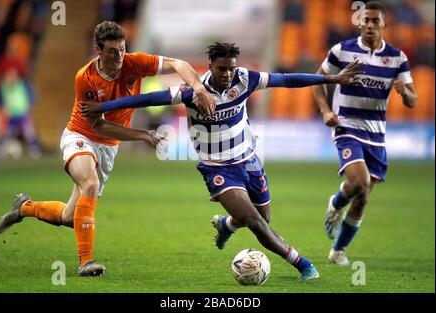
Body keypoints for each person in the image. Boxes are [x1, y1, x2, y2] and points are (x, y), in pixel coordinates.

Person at [80, 42, 362, 280]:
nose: (228, 74)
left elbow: (286, 80)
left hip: (250, 161)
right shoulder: (192, 92)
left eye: (231, 68)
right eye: (221, 69)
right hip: (218, 169)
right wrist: (102, 108)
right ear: (210, 66)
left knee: (263, 217)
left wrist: (331, 79)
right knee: (254, 221)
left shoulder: (245, 79)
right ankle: (304, 264)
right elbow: (148, 99)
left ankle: (226, 225)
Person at [0, 21, 215, 277]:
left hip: (108, 148)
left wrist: (199, 89)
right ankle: (85, 262)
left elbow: (180, 65)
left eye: (122, 49)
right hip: (80, 136)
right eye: (112, 51)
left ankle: (25, 207)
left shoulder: (135, 62)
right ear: (98, 50)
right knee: (90, 183)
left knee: (70, 217)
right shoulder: (85, 78)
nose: (120, 56)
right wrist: (142, 134)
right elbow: (99, 126)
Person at [312, 1, 417, 265]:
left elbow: (413, 100)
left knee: (363, 197)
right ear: (359, 23)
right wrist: (325, 111)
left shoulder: (397, 58)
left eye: (375, 21)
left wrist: (406, 93)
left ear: (384, 25)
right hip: (346, 126)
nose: (370, 25)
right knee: (359, 182)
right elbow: (318, 81)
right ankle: (335, 204)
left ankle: (338, 251)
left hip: (376, 134)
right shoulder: (342, 51)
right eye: (366, 20)